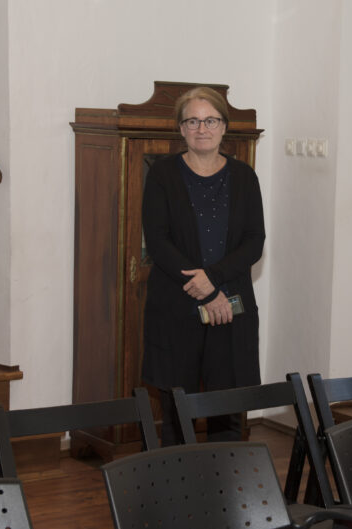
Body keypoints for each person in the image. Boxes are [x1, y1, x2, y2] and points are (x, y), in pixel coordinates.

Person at [140, 87, 264, 444]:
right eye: (192, 121)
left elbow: (254, 240)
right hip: (176, 307)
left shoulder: (244, 177)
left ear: (224, 127)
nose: (201, 128)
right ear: (181, 129)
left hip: (231, 307)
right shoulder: (162, 174)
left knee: (228, 412)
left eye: (210, 120)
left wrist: (214, 280)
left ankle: (223, 480)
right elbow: (158, 241)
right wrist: (206, 292)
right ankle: (178, 480)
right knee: (178, 412)